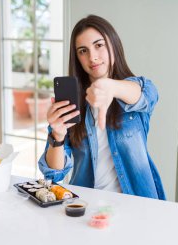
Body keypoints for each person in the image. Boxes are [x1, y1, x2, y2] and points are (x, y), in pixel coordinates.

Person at [38, 15, 166, 200]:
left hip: (137, 204)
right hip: (86, 206)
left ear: (113, 44)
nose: (93, 57)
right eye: (83, 51)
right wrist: (57, 135)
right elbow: (53, 175)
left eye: (99, 45)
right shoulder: (72, 106)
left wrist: (111, 86)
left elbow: (149, 94)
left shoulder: (131, 92)